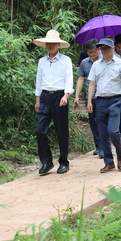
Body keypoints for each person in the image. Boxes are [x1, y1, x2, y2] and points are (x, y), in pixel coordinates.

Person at [86, 38, 121, 173]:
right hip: (99, 101)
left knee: (113, 130)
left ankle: (120, 153)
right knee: (103, 133)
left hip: (115, 100)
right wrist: (89, 101)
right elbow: (92, 84)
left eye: (106, 48)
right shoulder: (96, 65)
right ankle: (109, 162)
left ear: (112, 48)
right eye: (101, 48)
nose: (104, 50)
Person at [33, 30, 74, 175]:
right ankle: (46, 162)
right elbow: (39, 80)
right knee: (40, 131)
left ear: (58, 44)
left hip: (59, 97)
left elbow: (69, 79)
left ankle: (63, 162)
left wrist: (66, 95)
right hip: (45, 97)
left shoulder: (66, 60)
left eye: (53, 43)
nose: (50, 45)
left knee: (61, 131)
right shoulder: (42, 61)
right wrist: (37, 99)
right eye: (48, 43)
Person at [73, 39, 101, 155]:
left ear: (98, 50)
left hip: (102, 96)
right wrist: (77, 96)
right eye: (89, 52)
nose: (91, 54)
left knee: (101, 121)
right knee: (93, 121)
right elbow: (80, 79)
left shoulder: (104, 61)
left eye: (93, 52)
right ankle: (98, 146)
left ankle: (104, 145)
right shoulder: (85, 63)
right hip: (89, 96)